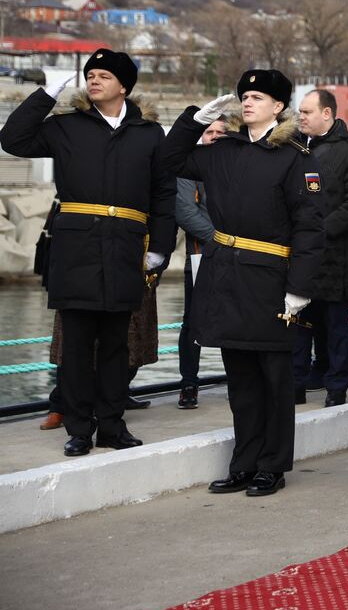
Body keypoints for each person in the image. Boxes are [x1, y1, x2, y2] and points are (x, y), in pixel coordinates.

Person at [1, 49, 174, 456]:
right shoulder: (66, 126)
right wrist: (46, 93)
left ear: (124, 86)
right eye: (90, 74)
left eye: (104, 76)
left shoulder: (149, 134)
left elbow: (163, 194)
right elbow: (13, 138)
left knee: (117, 345)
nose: (94, 80)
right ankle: (79, 428)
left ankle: (112, 426)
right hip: (76, 246)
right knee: (77, 346)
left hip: (125, 247)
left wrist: (160, 247)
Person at [162, 70, 326, 496]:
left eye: (257, 97)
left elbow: (310, 226)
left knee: (275, 379)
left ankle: (272, 465)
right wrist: (194, 121)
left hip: (271, 277)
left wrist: (300, 286)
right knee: (241, 381)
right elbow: (165, 162)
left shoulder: (296, 156)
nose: (247, 102)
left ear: (278, 107)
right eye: (244, 96)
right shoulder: (222, 150)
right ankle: (244, 462)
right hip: (226, 273)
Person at [294, 90, 348, 408]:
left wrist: (320, 231)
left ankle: (336, 386)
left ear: (327, 114)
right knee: (297, 323)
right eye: (299, 112)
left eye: (307, 112)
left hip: (331, 254)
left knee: (335, 325)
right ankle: (296, 384)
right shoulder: (294, 149)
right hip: (298, 253)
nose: (301, 117)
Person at [173, 116, 229, 409]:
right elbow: (184, 211)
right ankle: (189, 385)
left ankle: (239, 380)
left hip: (237, 258)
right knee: (193, 323)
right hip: (202, 254)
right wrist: (221, 240)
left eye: (221, 131)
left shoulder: (237, 165)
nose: (215, 136)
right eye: (210, 131)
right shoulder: (188, 166)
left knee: (236, 320)